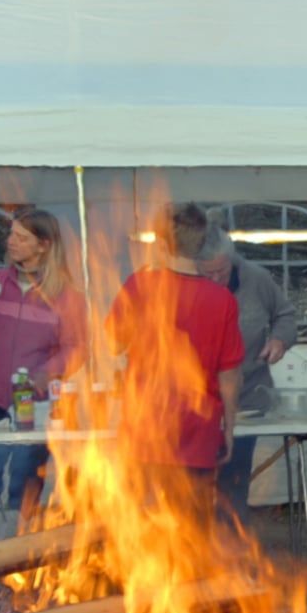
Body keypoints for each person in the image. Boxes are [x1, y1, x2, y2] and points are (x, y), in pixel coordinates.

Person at [0, 209, 87, 528]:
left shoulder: (67, 296)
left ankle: (19, 555)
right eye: (11, 234)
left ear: (44, 245)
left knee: (24, 485)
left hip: (36, 404)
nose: (11, 241)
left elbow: (78, 348)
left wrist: (46, 372)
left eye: (21, 237)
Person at [106, 202, 244, 516]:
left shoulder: (140, 285)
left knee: (141, 531)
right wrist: (229, 428)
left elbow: (113, 344)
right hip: (199, 431)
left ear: (161, 241)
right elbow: (230, 376)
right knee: (191, 533)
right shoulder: (223, 300)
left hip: (144, 430)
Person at [195, 216, 298, 515]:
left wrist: (279, 339)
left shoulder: (257, 278)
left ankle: (232, 551)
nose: (215, 279)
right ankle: (195, 550)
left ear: (232, 260)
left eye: (222, 271)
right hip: (199, 402)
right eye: (208, 273)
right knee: (195, 481)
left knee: (234, 480)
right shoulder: (185, 286)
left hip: (247, 399)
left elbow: (286, 315)